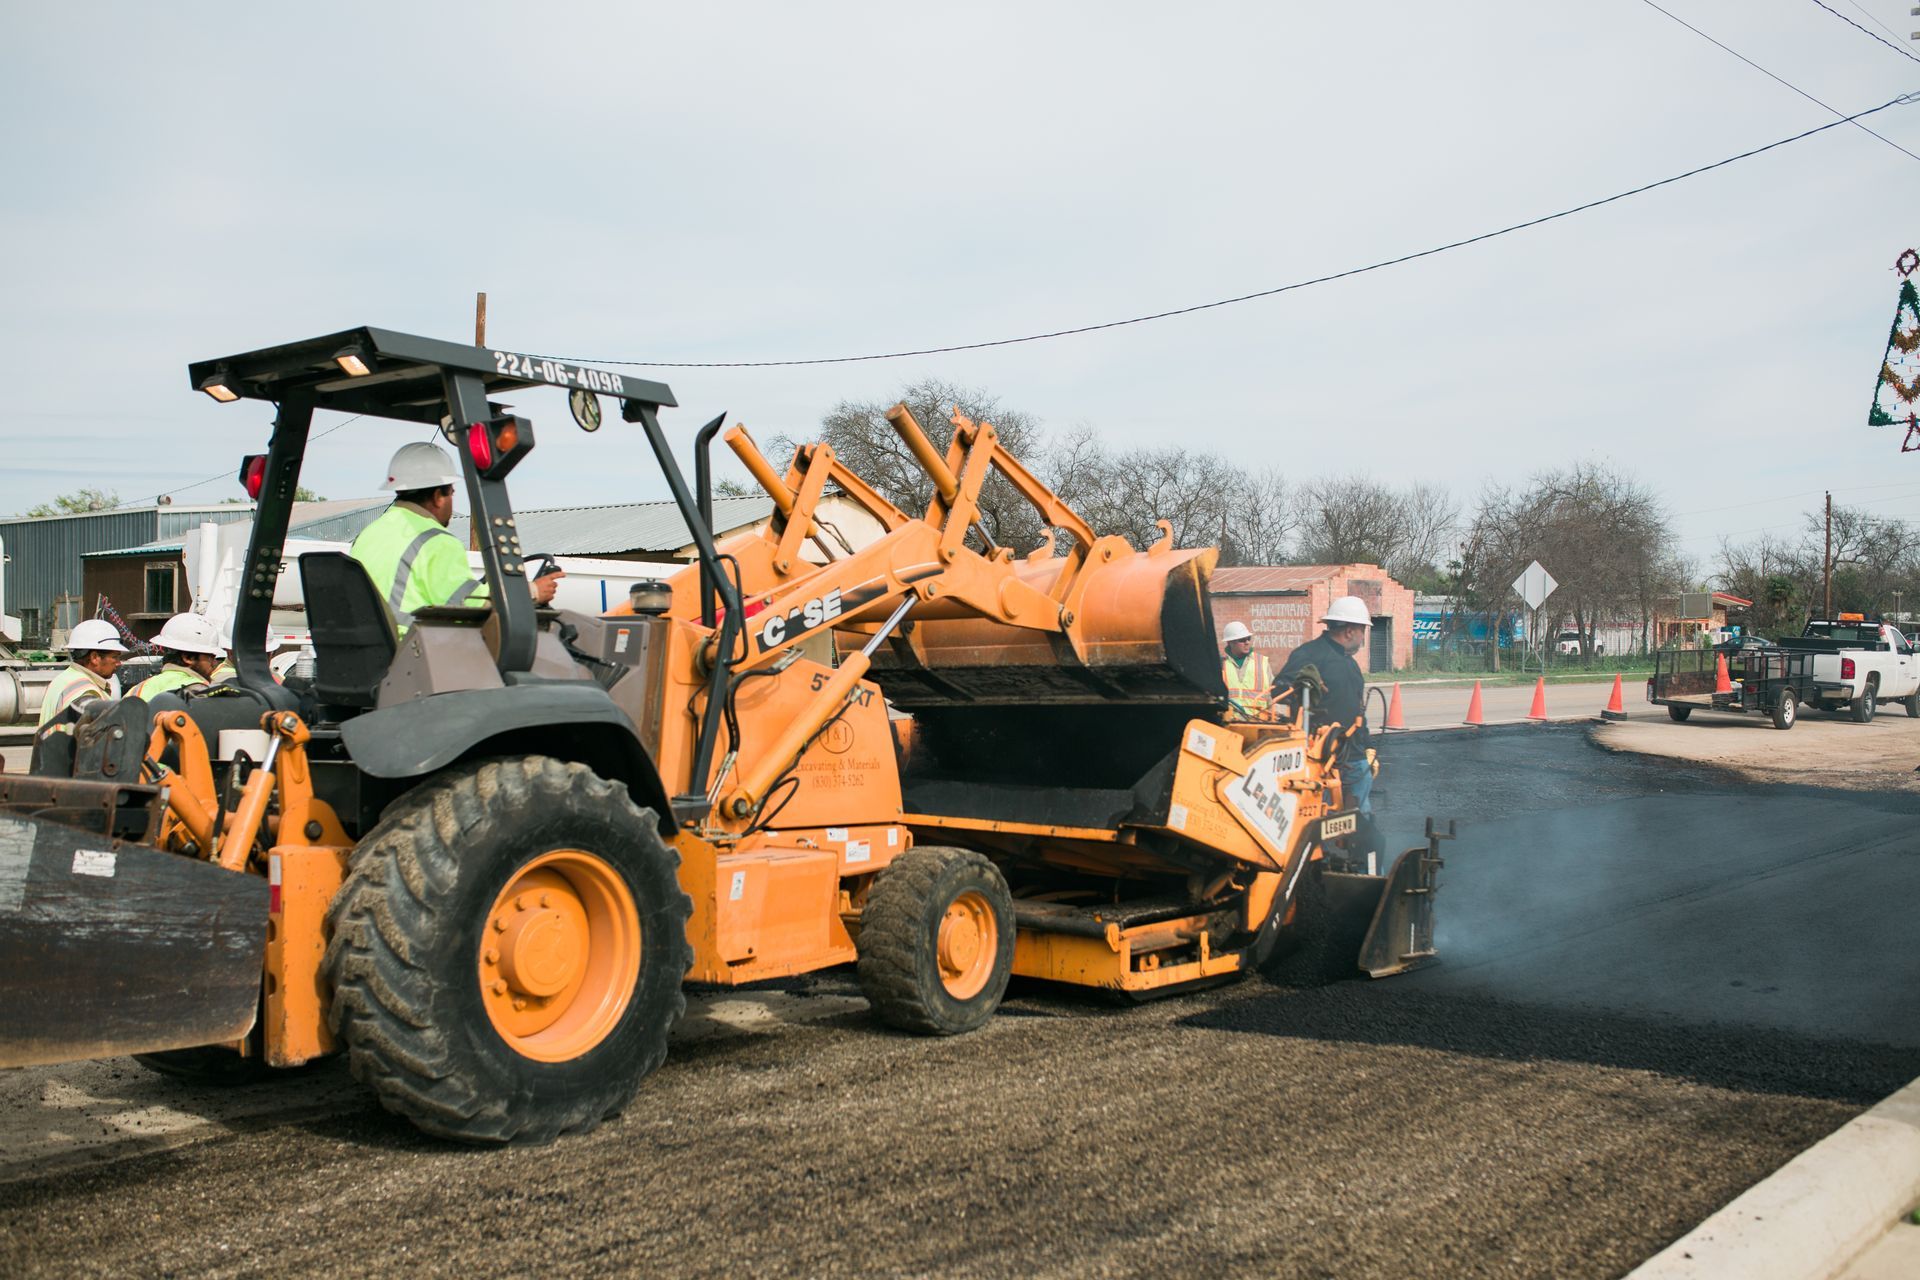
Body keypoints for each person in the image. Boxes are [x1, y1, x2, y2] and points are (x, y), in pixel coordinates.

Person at [349, 442, 562, 632]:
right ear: (437, 497)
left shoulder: (367, 536)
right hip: (413, 655)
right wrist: (532, 591)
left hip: (366, 656)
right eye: (451, 492)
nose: (452, 500)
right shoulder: (435, 540)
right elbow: (471, 604)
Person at [1274, 595, 1379, 866]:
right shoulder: (1309, 655)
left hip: (1354, 759)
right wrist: (1301, 687)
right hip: (1319, 761)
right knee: (1317, 826)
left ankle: (1364, 880)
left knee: (1361, 828)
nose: (1363, 638)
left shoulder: (1351, 665)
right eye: (1363, 631)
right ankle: (1314, 877)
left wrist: (1367, 747)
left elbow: (1357, 709)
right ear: (1350, 631)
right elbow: (1279, 690)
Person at [36, 619, 129, 732]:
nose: (119, 663)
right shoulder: (87, 691)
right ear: (94, 657)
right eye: (115, 657)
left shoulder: (62, 680)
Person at [128, 613, 224, 700]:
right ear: (188, 658)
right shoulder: (201, 692)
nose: (214, 663)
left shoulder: (139, 689)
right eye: (211, 657)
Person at [1219, 620, 1273, 719]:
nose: (1247, 642)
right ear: (1230, 642)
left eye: (1248, 638)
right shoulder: (1220, 664)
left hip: (1258, 724)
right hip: (1227, 724)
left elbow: (1272, 695)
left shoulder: (1262, 662)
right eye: (1242, 639)